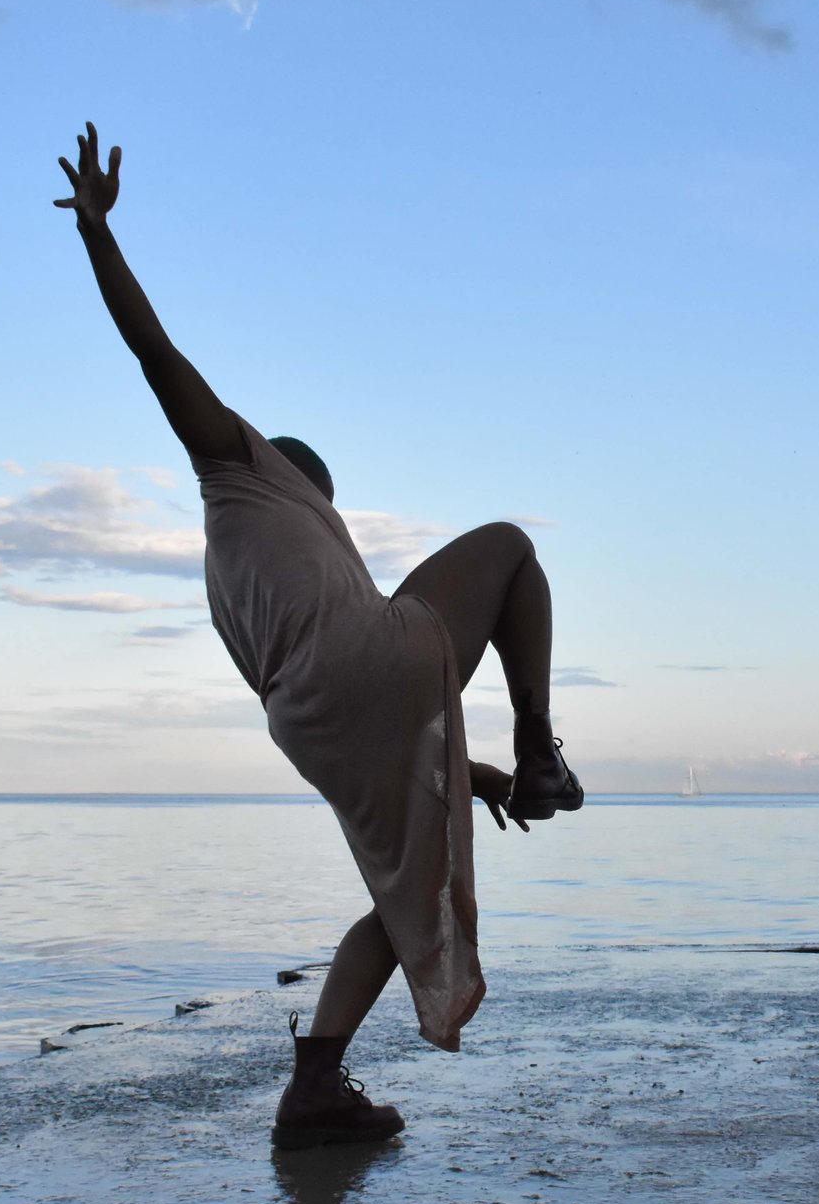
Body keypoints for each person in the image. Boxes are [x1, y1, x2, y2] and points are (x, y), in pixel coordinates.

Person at [56, 123, 583, 1151]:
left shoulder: (237, 575)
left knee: (399, 906)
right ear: (291, 469)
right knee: (512, 548)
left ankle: (314, 1085)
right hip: (350, 674)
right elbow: (153, 353)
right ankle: (540, 747)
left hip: (305, 717)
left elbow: (360, 709)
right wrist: (98, 235)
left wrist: (460, 775)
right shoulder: (237, 461)